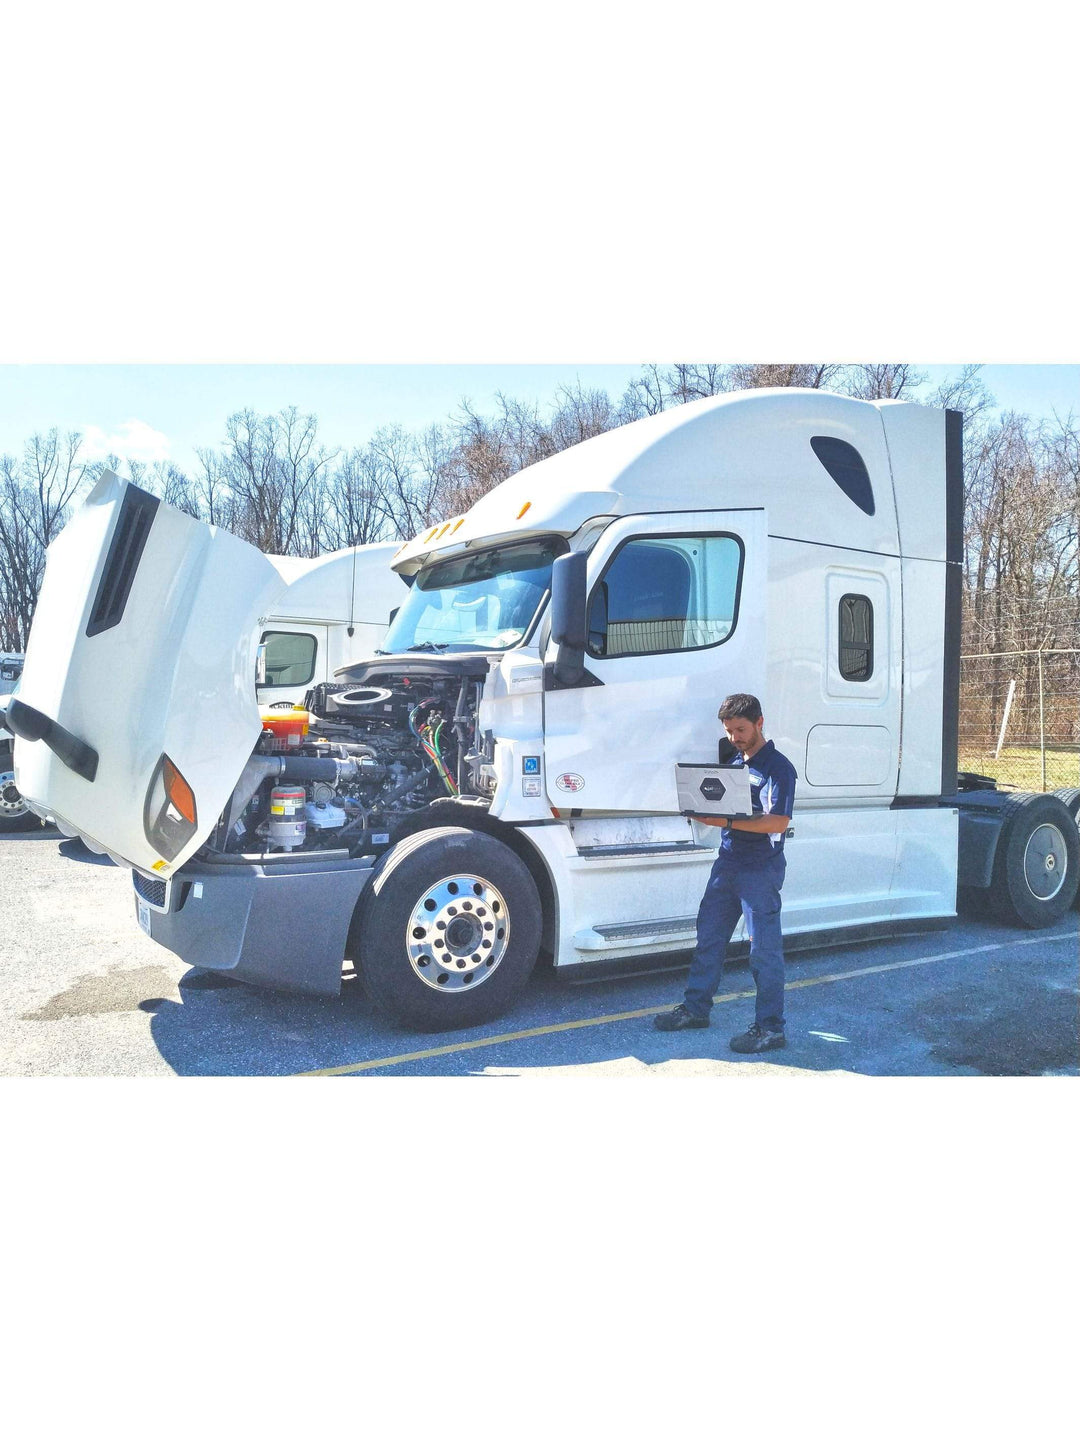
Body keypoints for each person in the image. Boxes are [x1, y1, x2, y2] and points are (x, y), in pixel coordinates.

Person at [654, 693, 797, 1053]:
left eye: (741, 729)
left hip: (760, 869)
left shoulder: (779, 768)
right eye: (729, 730)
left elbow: (778, 821)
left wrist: (723, 820)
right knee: (709, 940)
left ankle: (770, 1029)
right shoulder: (734, 760)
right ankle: (695, 1010)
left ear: (760, 723)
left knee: (763, 952)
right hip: (728, 862)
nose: (734, 737)